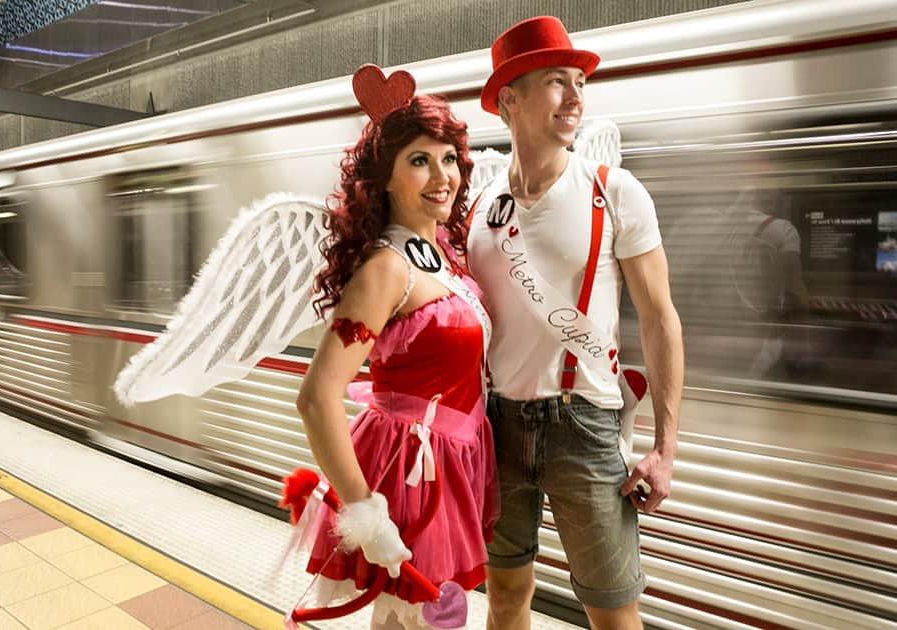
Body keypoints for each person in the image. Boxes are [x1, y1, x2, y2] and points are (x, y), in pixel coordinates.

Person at [466, 17, 684, 630]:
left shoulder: (615, 192)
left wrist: (665, 449)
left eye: (579, 82)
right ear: (509, 99)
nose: (575, 96)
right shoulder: (481, 210)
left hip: (583, 424)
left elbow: (662, 318)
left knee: (613, 616)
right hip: (496, 427)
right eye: (557, 82)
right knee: (505, 597)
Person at [292, 65, 497, 629]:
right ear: (384, 178)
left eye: (449, 158)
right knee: (423, 620)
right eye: (419, 160)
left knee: (418, 620)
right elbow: (316, 397)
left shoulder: (447, 257)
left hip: (451, 465)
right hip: (412, 477)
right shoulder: (386, 270)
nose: (442, 176)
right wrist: (365, 512)